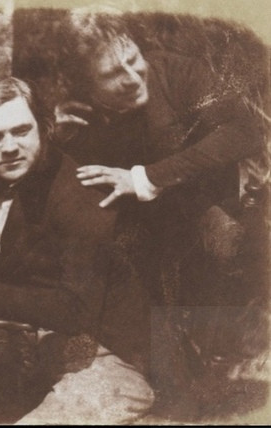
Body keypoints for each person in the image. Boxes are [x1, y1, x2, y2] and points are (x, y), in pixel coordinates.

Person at [53, 10, 265, 417]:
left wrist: (148, 177)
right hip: (137, 231)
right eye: (112, 74)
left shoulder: (178, 72)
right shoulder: (77, 112)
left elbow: (244, 132)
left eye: (133, 59)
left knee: (221, 243)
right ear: (85, 84)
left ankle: (213, 366)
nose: (132, 76)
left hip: (203, 214)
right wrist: (60, 142)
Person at [0, 77, 154, 424]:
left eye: (21, 131)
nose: (9, 147)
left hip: (111, 365)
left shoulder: (81, 194)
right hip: (36, 358)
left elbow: (76, 310)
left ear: (44, 128)